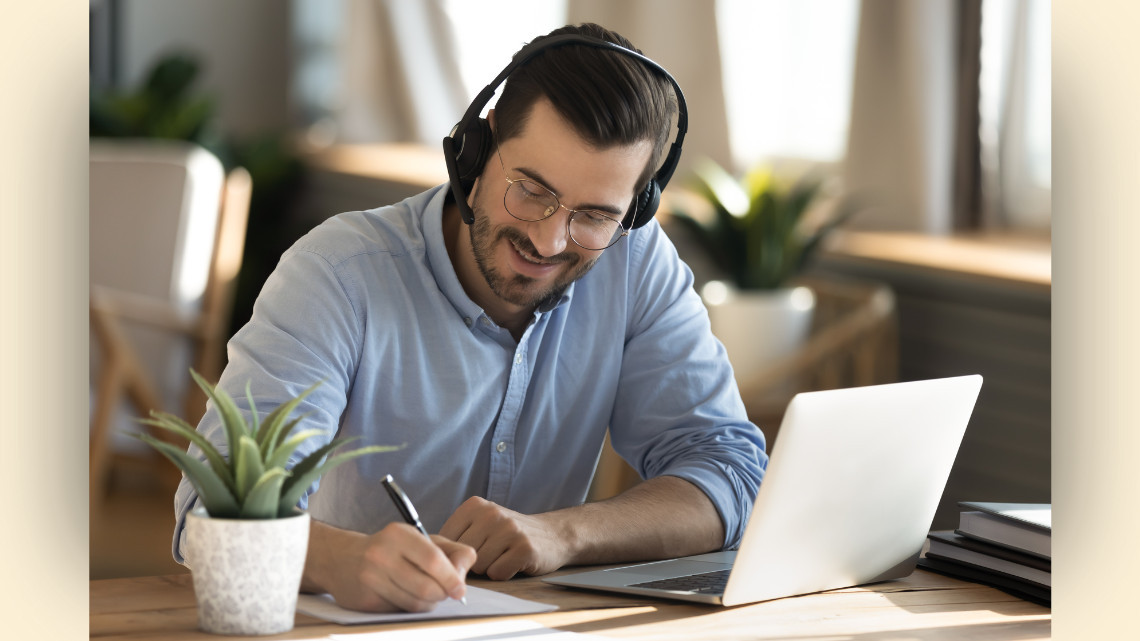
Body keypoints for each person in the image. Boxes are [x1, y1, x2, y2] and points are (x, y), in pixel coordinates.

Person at [172, 22, 767, 613]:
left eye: (593, 214)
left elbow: (729, 471)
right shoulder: (338, 272)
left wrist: (561, 534)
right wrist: (340, 559)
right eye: (531, 190)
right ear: (474, 153)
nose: (550, 238)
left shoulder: (633, 262)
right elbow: (212, 515)